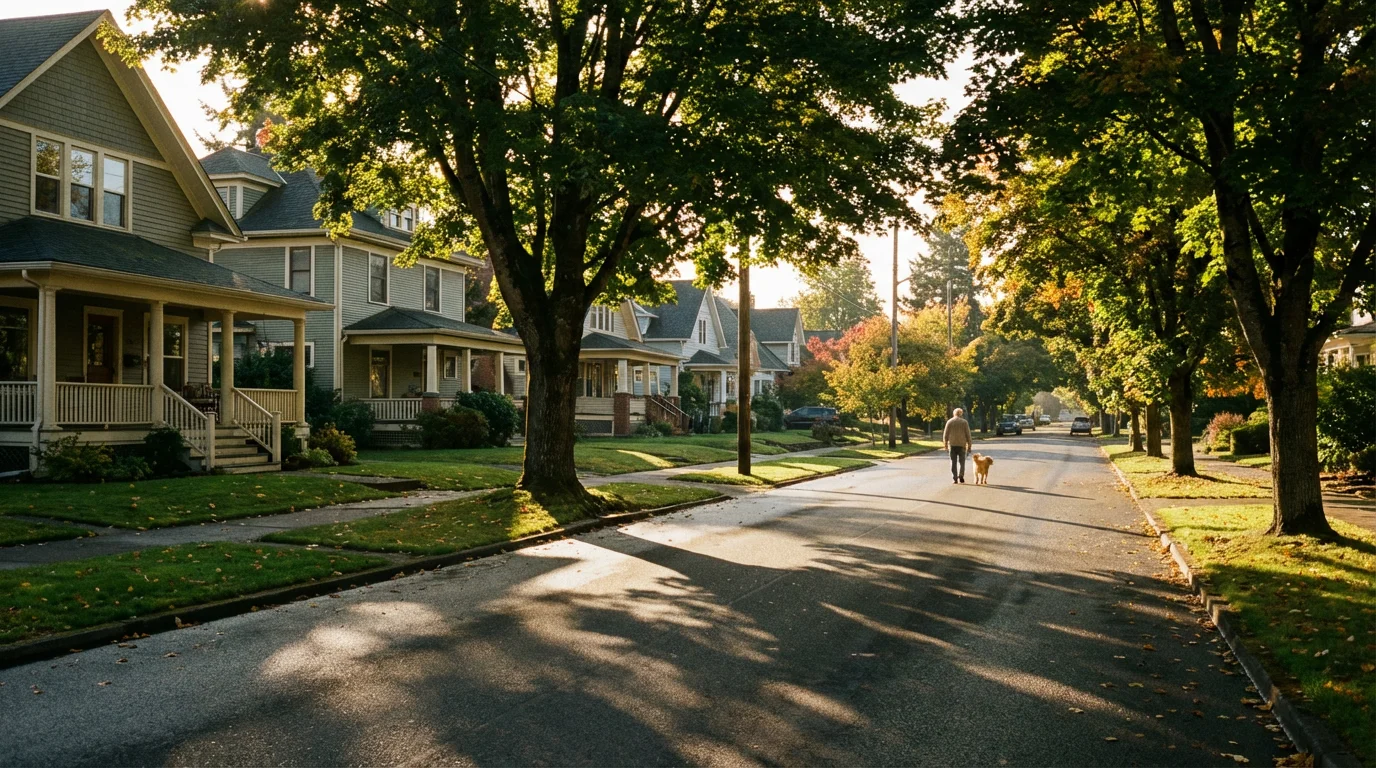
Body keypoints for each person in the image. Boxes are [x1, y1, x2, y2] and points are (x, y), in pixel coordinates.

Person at [942, 407, 973, 484]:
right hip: (962, 444)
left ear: (954, 413)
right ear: (961, 414)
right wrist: (969, 445)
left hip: (952, 444)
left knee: (953, 462)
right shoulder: (964, 422)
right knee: (962, 462)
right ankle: (961, 475)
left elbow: (945, 434)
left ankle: (955, 478)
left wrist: (945, 444)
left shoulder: (949, 422)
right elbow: (968, 434)